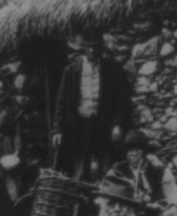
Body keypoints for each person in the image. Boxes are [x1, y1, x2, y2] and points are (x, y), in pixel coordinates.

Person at [52, 30, 135, 182]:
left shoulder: (111, 69)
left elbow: (122, 100)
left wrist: (118, 124)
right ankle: (81, 202)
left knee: (107, 168)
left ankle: (104, 200)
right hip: (79, 125)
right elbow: (61, 102)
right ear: (83, 48)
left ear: (100, 48)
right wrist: (57, 129)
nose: (91, 50)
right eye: (88, 47)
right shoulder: (71, 71)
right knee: (80, 169)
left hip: (103, 124)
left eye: (95, 47)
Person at [104, 130, 177, 216]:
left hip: (155, 215)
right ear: (126, 153)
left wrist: (156, 205)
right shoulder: (117, 171)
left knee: (172, 212)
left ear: (144, 151)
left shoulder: (160, 171)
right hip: (129, 215)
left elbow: (174, 197)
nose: (134, 153)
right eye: (130, 150)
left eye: (138, 149)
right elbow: (106, 191)